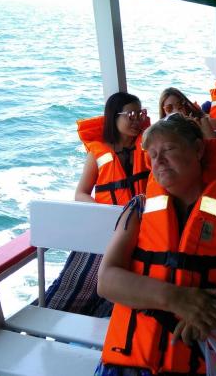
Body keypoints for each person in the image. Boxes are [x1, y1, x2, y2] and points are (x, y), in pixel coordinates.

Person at [96, 114, 216, 375]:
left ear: (199, 150)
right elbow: (106, 281)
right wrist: (177, 299)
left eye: (168, 149)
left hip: (204, 358)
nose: (159, 160)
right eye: (153, 154)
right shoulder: (138, 209)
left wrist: (211, 309)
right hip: (128, 360)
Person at [45, 92, 150, 317]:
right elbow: (81, 194)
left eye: (140, 114)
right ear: (114, 117)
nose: (137, 120)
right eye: (130, 115)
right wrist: (105, 215)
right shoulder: (98, 152)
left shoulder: (149, 147)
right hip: (108, 226)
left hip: (144, 225)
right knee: (81, 279)